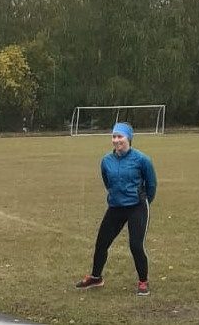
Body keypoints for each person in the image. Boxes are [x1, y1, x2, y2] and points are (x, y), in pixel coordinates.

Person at [75, 122, 157, 296]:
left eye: (120, 136)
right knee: (101, 243)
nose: (116, 140)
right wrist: (116, 196)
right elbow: (108, 182)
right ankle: (96, 278)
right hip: (116, 206)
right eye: (114, 136)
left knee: (136, 245)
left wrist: (143, 201)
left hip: (137, 207)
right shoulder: (106, 161)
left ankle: (143, 281)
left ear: (129, 138)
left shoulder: (142, 160)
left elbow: (151, 185)